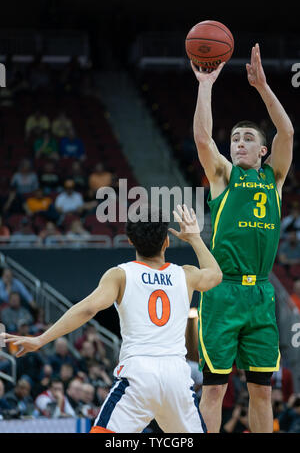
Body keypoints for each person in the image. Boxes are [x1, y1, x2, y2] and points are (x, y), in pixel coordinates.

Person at [1, 204, 222, 433]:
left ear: (130, 241)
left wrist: (41, 339)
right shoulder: (185, 274)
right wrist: (194, 238)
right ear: (166, 241)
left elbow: (86, 309)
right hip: (176, 375)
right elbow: (216, 275)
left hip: (138, 375)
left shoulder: (120, 274)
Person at [190, 42, 294, 433]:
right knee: (214, 391)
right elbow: (203, 139)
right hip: (222, 290)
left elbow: (287, 130)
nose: (239, 143)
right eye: (235, 139)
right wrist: (205, 84)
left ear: (263, 151)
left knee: (262, 391)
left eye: (248, 138)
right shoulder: (223, 175)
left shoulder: (275, 179)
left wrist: (263, 88)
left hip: (261, 293)